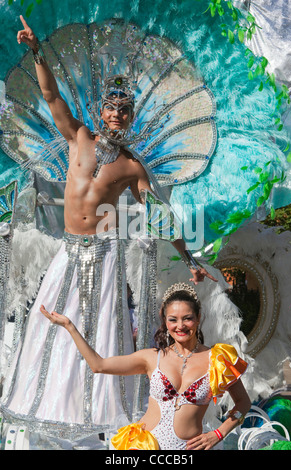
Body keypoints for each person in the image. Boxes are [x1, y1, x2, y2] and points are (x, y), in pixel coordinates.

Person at [0, 16, 216, 440]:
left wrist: (189, 255)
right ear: (100, 111)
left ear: (131, 118)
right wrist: (37, 52)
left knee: (101, 330)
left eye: (124, 111)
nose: (116, 115)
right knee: (51, 324)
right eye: (111, 108)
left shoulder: (133, 165)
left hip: (103, 254)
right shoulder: (79, 137)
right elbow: (49, 93)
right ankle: (47, 406)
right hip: (69, 249)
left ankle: (97, 415)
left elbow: (157, 213)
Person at [40, 282, 251, 450]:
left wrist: (218, 434)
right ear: (165, 322)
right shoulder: (151, 358)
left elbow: (243, 403)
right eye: (173, 319)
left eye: (187, 318)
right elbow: (99, 365)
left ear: (198, 319)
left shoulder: (218, 359)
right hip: (144, 446)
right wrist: (69, 327)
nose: (180, 326)